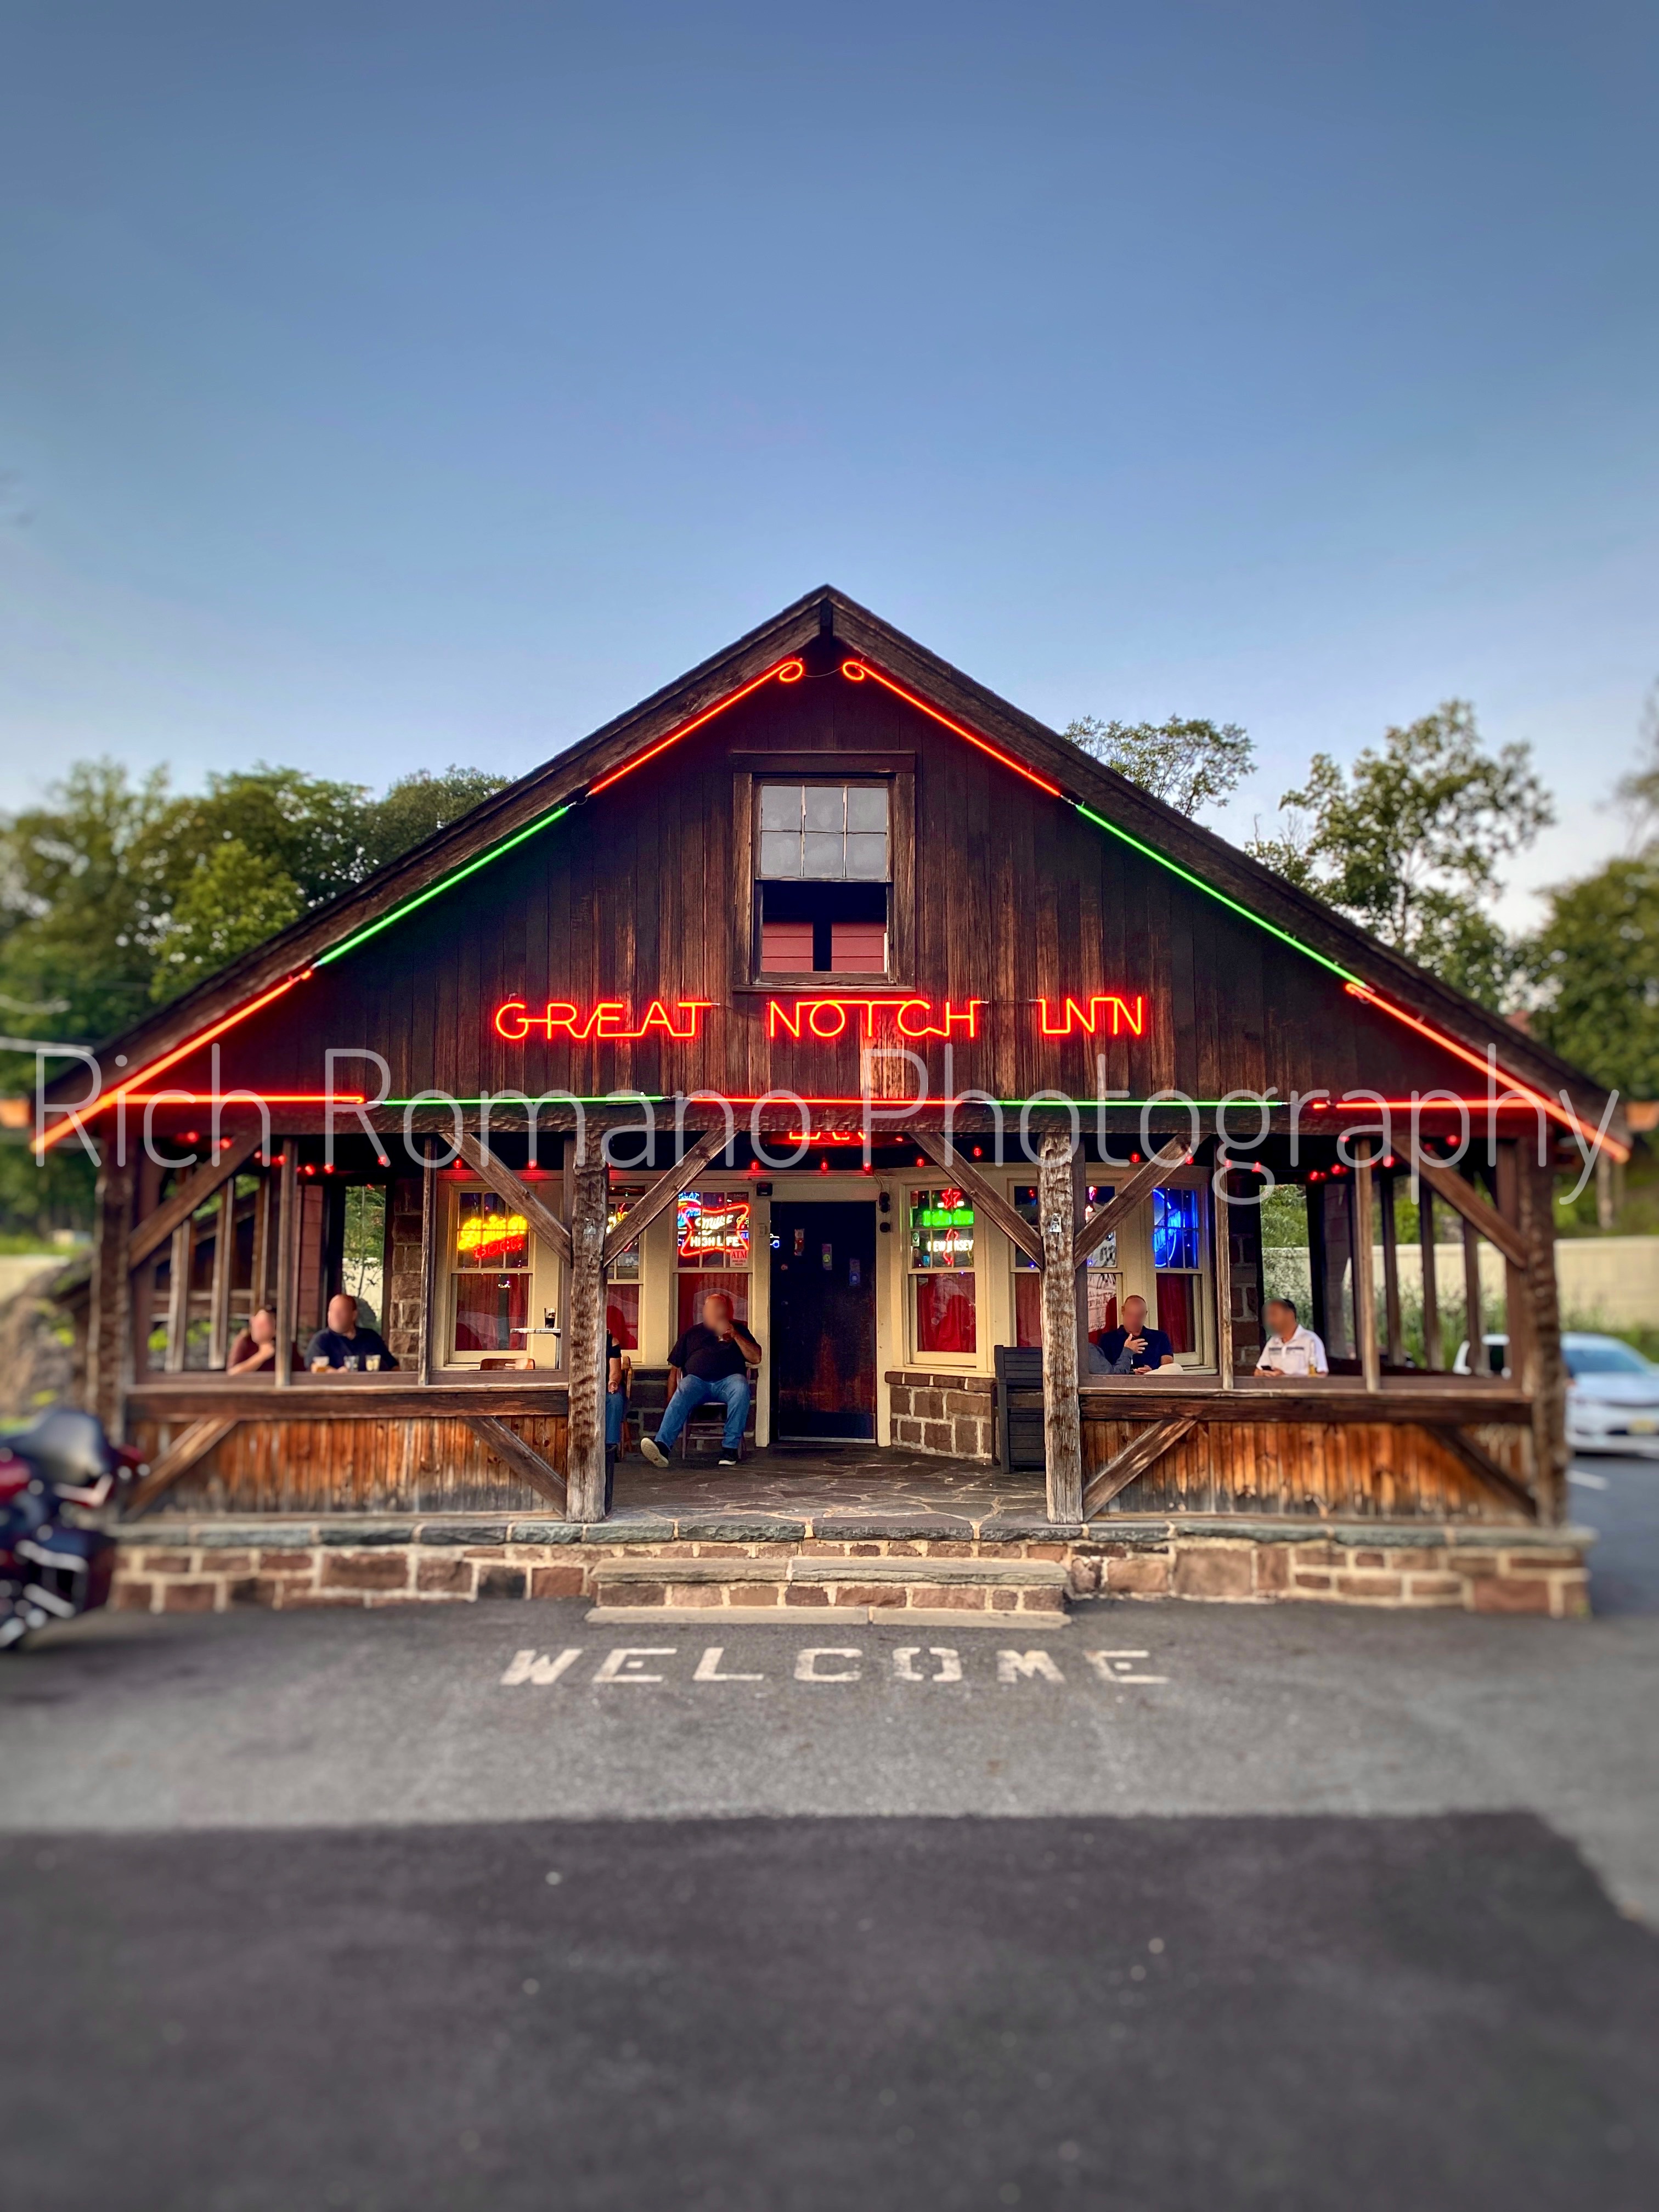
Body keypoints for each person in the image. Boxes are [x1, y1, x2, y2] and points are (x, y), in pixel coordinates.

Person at [640, 1291, 761, 1468]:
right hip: (698, 1383)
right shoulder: (692, 1334)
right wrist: (670, 1399)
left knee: (741, 1387)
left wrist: (735, 1335)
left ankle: (730, 1448)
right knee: (686, 1386)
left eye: (722, 1308)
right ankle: (663, 1447)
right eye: (714, 1308)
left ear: (727, 1311)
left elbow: (756, 1358)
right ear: (705, 1312)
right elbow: (675, 1369)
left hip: (728, 1382)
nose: (719, 1313)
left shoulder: (739, 1330)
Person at [306, 1293, 398, 1373]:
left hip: (372, 1390)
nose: (335, 1315)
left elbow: (393, 1366)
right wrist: (338, 1374)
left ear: (354, 1315)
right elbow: (315, 1367)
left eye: (341, 1311)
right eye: (332, 1311)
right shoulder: (322, 1339)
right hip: (337, 1391)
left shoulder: (371, 1337)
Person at [1093, 1293, 1175, 1375]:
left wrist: (1153, 1373)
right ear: (1123, 1311)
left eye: (1139, 1316)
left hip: (1152, 1385)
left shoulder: (1160, 1338)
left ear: (1145, 1314)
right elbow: (1104, 1372)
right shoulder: (1108, 1339)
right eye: (1130, 1315)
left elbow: (1168, 1370)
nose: (1134, 1320)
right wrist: (1132, 1373)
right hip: (1121, 1386)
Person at [1254, 1297, 1329, 1378]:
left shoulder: (1310, 1340)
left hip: (1302, 1390)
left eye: (1274, 1315)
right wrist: (1261, 1374)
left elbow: (1321, 1375)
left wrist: (1285, 1377)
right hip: (1276, 1390)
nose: (1270, 1320)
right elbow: (1260, 1369)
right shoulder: (1273, 1342)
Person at [225, 1306, 301, 1375]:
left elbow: (301, 1372)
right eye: (256, 1321)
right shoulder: (244, 1341)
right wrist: (261, 1356)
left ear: (275, 1330)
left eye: (265, 1323)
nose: (258, 1326)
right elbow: (232, 1373)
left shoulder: (285, 1345)